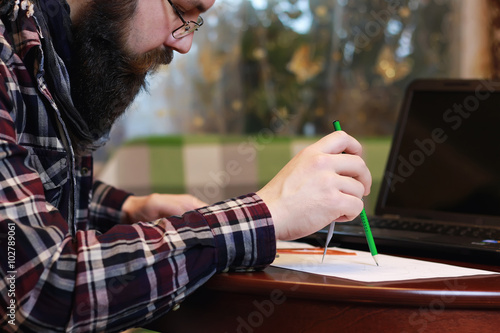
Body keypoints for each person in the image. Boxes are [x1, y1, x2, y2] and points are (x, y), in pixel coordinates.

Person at [0, 0, 371, 332]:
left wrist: (125, 210)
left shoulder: (56, 53)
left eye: (196, 22)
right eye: (181, 10)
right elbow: (34, 292)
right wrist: (267, 214)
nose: (184, 43)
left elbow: (26, 186)